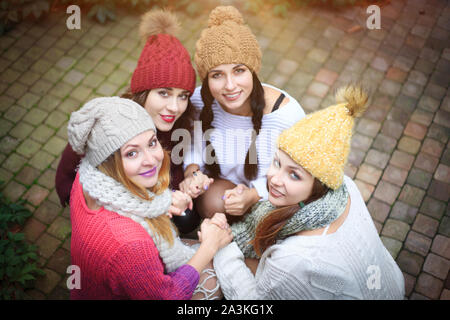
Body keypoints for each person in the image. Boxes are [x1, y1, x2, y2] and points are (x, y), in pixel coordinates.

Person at [212, 85, 405, 300]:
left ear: (318, 185)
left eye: (294, 175)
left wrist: (222, 249)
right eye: (277, 162)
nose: (274, 179)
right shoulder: (345, 186)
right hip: (389, 285)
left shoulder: (293, 259)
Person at [68, 97, 232, 299]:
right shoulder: (129, 244)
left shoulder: (86, 179)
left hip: (91, 286)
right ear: (107, 162)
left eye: (152, 143)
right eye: (131, 153)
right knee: (228, 271)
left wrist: (166, 200)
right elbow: (167, 296)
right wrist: (209, 247)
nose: (151, 160)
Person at [55, 9, 200, 233]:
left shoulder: (178, 123)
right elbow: (70, 164)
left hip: (148, 193)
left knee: (188, 218)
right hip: (110, 201)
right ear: (143, 91)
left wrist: (184, 186)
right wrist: (71, 198)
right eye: (164, 93)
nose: (175, 106)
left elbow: (173, 168)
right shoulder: (111, 122)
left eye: (182, 96)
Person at [179, 6, 306, 220]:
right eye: (217, 75)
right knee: (211, 202)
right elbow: (192, 143)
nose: (230, 86)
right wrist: (191, 174)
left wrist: (255, 195)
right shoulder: (200, 100)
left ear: (253, 71)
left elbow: (299, 176)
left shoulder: (285, 116)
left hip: (277, 195)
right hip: (227, 187)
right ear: (207, 79)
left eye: (239, 71)